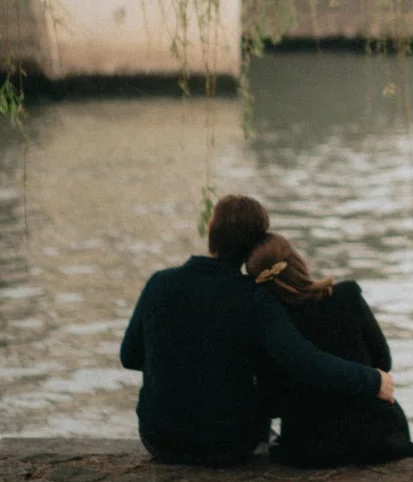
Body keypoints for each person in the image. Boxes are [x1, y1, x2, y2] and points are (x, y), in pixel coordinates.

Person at [119, 194, 396, 466]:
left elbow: (130, 356)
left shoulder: (159, 283)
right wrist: (372, 380)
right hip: (226, 443)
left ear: (210, 229)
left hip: (160, 438)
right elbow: (304, 361)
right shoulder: (254, 299)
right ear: (255, 243)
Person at [245, 233, 413, 467]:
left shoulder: (273, 328)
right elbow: (383, 361)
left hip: (309, 446)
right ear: (298, 261)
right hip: (378, 434)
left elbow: (273, 402)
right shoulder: (347, 296)